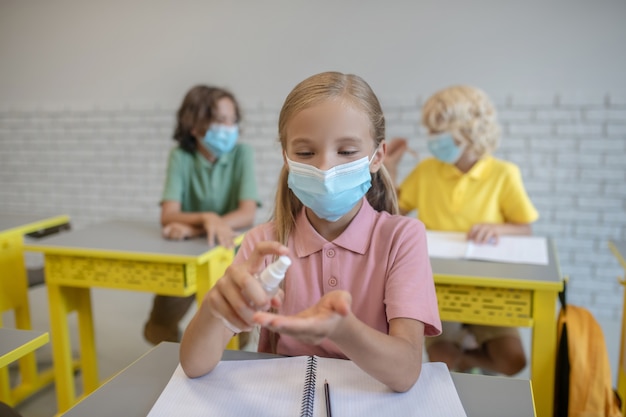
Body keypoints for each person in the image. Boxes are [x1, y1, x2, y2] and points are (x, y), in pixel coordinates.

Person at [179, 71, 441, 392]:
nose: (324, 169)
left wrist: (341, 329)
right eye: (305, 153)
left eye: (346, 152)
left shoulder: (403, 237)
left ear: (378, 156)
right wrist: (214, 308)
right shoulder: (263, 243)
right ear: (286, 158)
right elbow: (194, 365)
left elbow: (405, 372)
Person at [384, 85, 539, 376]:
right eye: (429, 130)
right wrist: (390, 169)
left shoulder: (504, 174)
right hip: (437, 290)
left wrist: (496, 229)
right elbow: (392, 215)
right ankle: (459, 357)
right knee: (441, 358)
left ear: (470, 130)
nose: (431, 139)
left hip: (492, 290)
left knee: (513, 360)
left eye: (439, 130)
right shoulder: (427, 171)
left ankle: (468, 359)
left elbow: (524, 229)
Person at [143, 85, 259, 345]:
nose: (229, 127)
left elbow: (247, 213)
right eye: (220, 120)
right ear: (194, 126)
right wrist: (208, 218)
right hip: (187, 257)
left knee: (236, 330)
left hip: (230, 253)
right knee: (158, 327)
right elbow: (168, 214)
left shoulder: (242, 154)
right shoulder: (181, 156)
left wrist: (194, 228)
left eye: (233, 120)